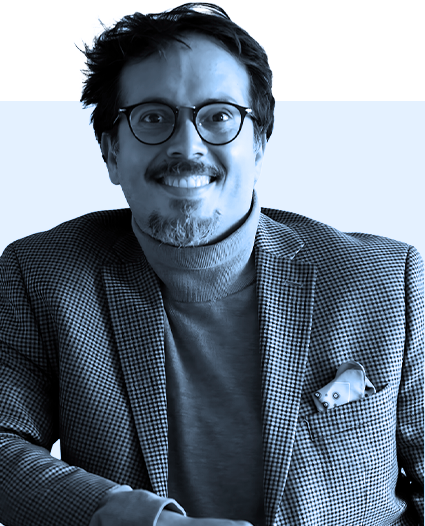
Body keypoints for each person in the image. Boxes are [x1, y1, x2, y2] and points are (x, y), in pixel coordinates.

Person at [0, 2, 423, 525]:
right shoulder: (38, 274)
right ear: (111, 153)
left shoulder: (388, 277)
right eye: (153, 118)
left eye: (219, 117)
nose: (187, 145)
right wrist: (142, 520)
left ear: (259, 144)